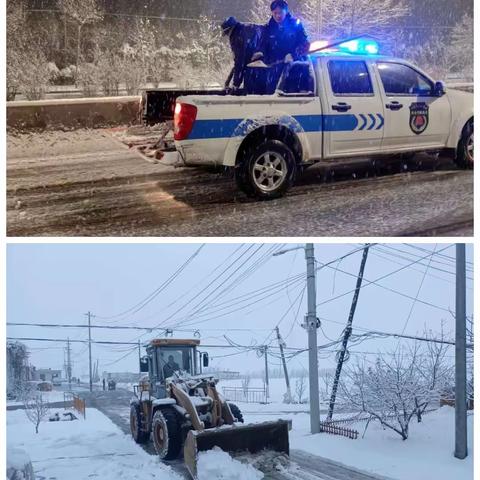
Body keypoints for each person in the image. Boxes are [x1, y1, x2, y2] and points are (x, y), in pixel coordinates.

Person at [252, 0, 310, 93]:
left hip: (295, 70)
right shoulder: (268, 28)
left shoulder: (296, 25)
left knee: (291, 93)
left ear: (286, 11)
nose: (278, 15)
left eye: (280, 12)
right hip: (274, 72)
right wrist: (260, 53)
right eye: (275, 13)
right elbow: (263, 45)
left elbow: (305, 44)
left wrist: (293, 55)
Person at [221, 16, 262, 92]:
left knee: (253, 90)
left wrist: (236, 84)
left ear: (229, 30)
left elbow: (240, 61)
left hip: (257, 68)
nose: (228, 36)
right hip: (264, 64)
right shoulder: (246, 29)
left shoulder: (237, 36)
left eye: (226, 33)